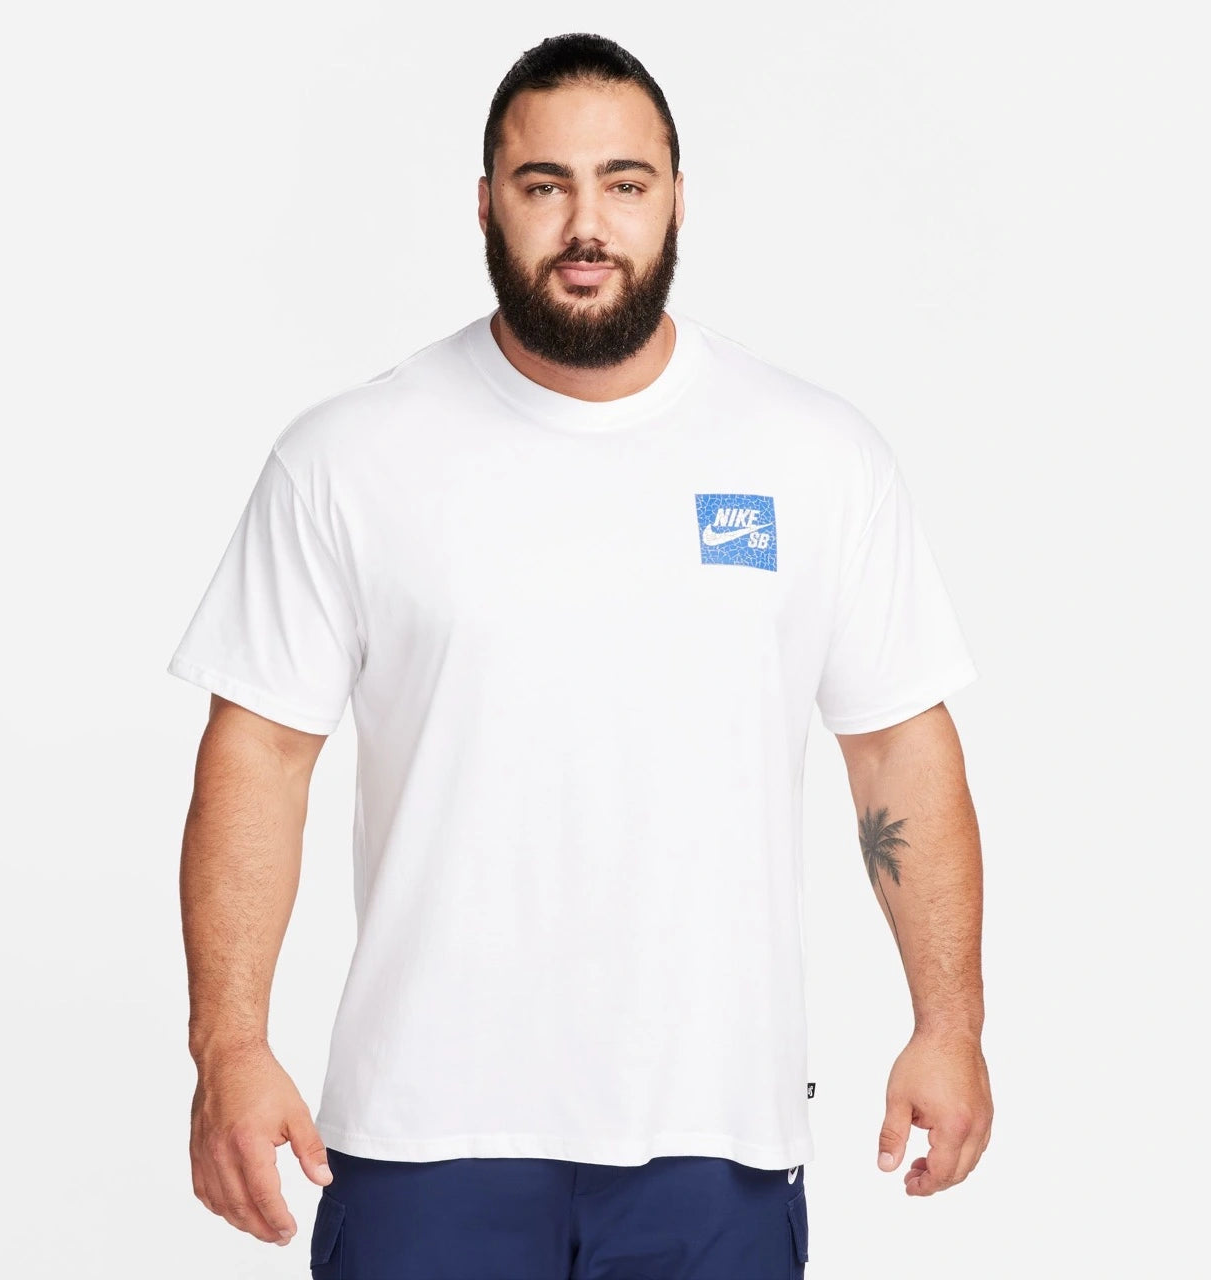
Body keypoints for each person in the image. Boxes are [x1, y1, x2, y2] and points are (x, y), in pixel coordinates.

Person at [167, 31, 992, 1280]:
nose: (585, 224)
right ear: (484, 203)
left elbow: (894, 749)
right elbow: (260, 759)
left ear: (677, 198)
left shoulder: (813, 456)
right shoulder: (350, 456)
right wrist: (228, 1045)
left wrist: (949, 1020)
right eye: (543, 184)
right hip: (423, 1134)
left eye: (624, 182)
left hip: (715, 1134)